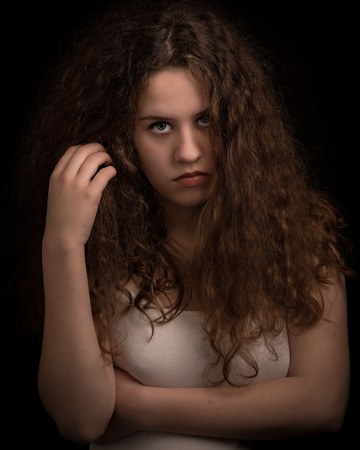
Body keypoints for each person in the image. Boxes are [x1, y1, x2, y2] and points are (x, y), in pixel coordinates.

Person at [9, 0, 356, 448]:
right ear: (120, 137)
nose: (188, 151)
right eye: (159, 126)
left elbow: (322, 405)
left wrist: (134, 404)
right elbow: (81, 421)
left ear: (239, 123)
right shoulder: (97, 242)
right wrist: (62, 243)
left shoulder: (299, 236)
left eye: (206, 119)